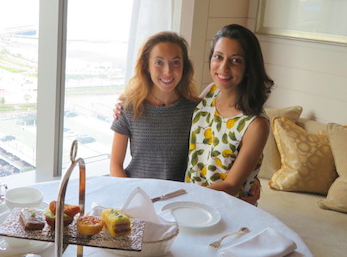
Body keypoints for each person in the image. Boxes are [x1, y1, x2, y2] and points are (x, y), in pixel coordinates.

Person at [185, 24, 274, 203]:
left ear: (249, 67)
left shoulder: (256, 124)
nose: (223, 67)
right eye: (218, 57)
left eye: (236, 60)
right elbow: (173, 106)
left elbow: (232, 185)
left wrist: (184, 197)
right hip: (192, 203)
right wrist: (128, 101)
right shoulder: (210, 92)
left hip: (226, 207)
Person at [110, 31, 198, 181]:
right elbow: (115, 165)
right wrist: (133, 194)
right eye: (159, 62)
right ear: (147, 66)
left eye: (176, 62)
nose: (168, 71)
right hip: (137, 194)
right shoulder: (130, 108)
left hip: (178, 197)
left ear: (184, 67)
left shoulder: (196, 110)